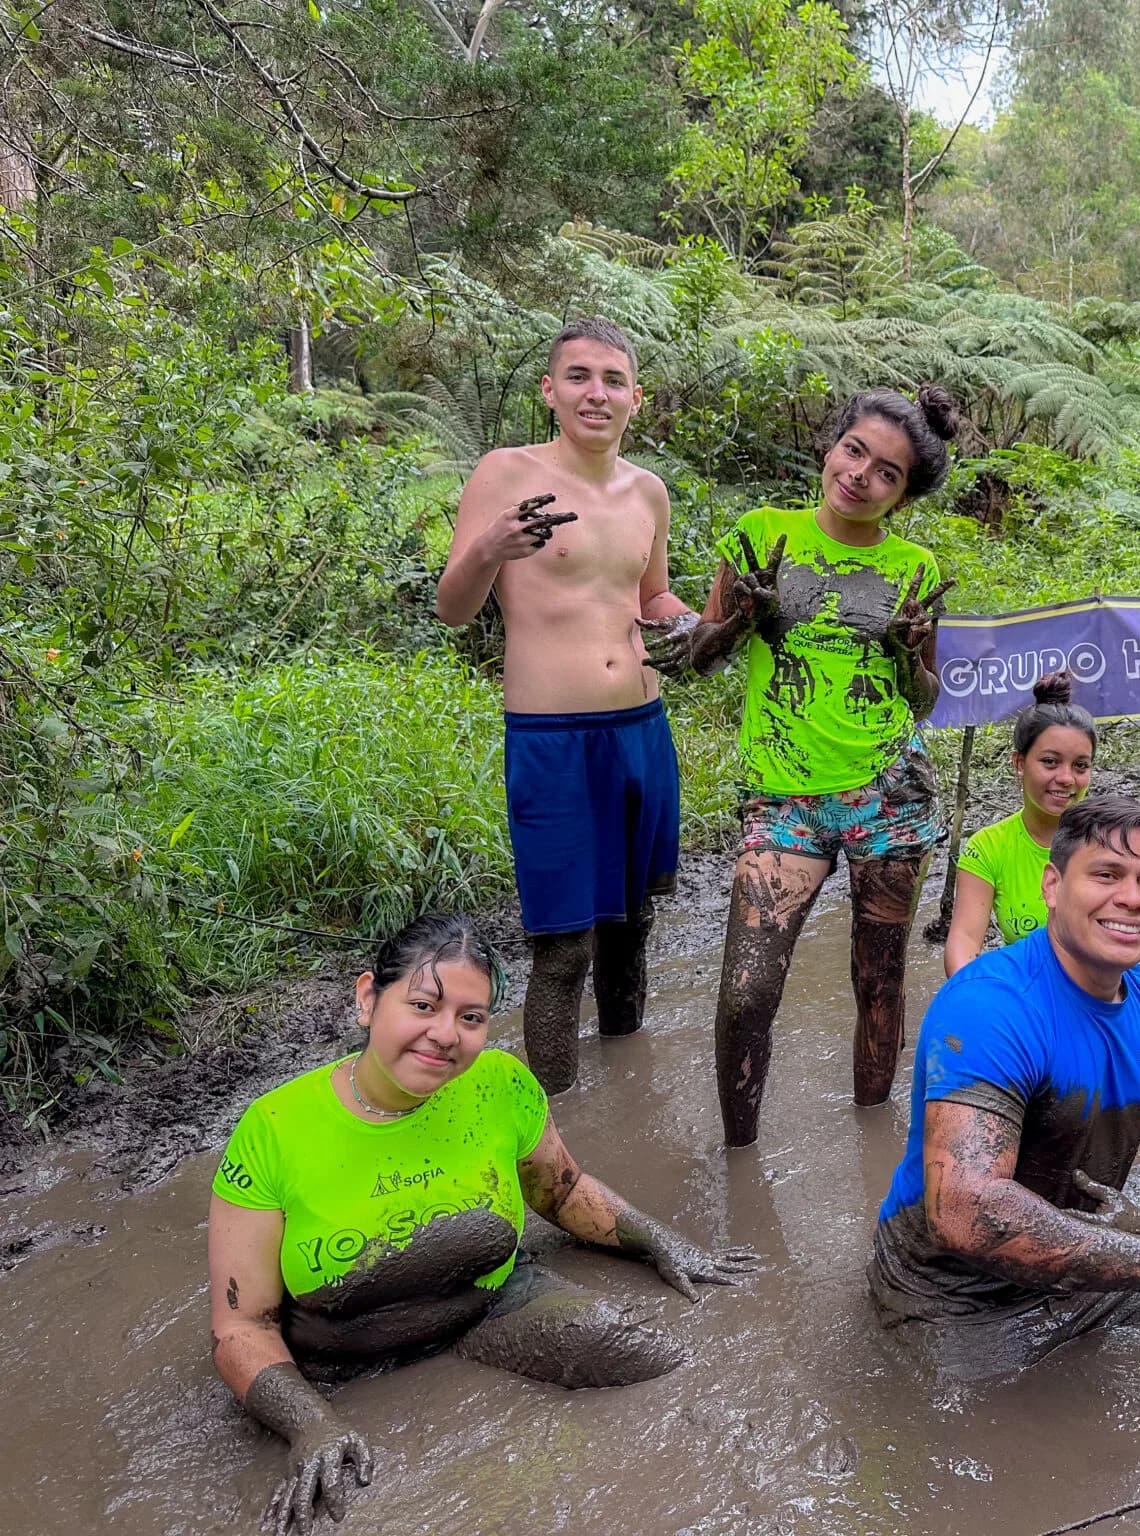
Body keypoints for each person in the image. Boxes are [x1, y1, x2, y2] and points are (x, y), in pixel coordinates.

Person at [207, 915, 758, 1536]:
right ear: (368, 998)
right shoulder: (274, 1130)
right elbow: (240, 1324)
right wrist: (310, 1425)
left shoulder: (499, 1084)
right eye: (423, 1005)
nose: (446, 1035)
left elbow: (564, 1190)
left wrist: (658, 1241)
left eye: (471, 1018)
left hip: (489, 1300)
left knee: (655, 1363)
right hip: (339, 1358)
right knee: (352, 1506)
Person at [869, 796, 1140, 1380]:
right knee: (969, 1428)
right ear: (1052, 885)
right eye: (1106, 874)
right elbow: (965, 1208)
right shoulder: (989, 1006)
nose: (1131, 899)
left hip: (1098, 1266)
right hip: (955, 1296)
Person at [686, 385, 961, 1148]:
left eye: (888, 473)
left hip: (891, 797)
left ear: (901, 497)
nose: (862, 475)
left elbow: (927, 700)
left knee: (879, 985)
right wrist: (746, 615)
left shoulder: (915, 565)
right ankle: (739, 1157)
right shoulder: (758, 533)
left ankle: (877, 1152)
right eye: (855, 451)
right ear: (831, 446)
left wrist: (909, 657)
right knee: (746, 994)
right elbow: (702, 658)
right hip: (783, 800)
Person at [434, 316, 698, 1095]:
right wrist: (491, 548)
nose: (596, 393)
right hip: (552, 739)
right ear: (549, 390)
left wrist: (691, 626)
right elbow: (453, 606)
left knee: (631, 927)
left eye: (613, 380)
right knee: (564, 946)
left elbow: (650, 593)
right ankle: (554, 1129)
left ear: (636, 399)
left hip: (643, 729)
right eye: (579, 376)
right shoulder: (506, 473)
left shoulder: (647, 491)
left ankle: (625, 1095)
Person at [942, 671, 1096, 976]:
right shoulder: (988, 848)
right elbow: (964, 939)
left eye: (1080, 766)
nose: (1066, 779)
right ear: (1019, 763)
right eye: (1050, 762)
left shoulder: (1108, 841)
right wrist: (973, 994)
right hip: (1027, 998)